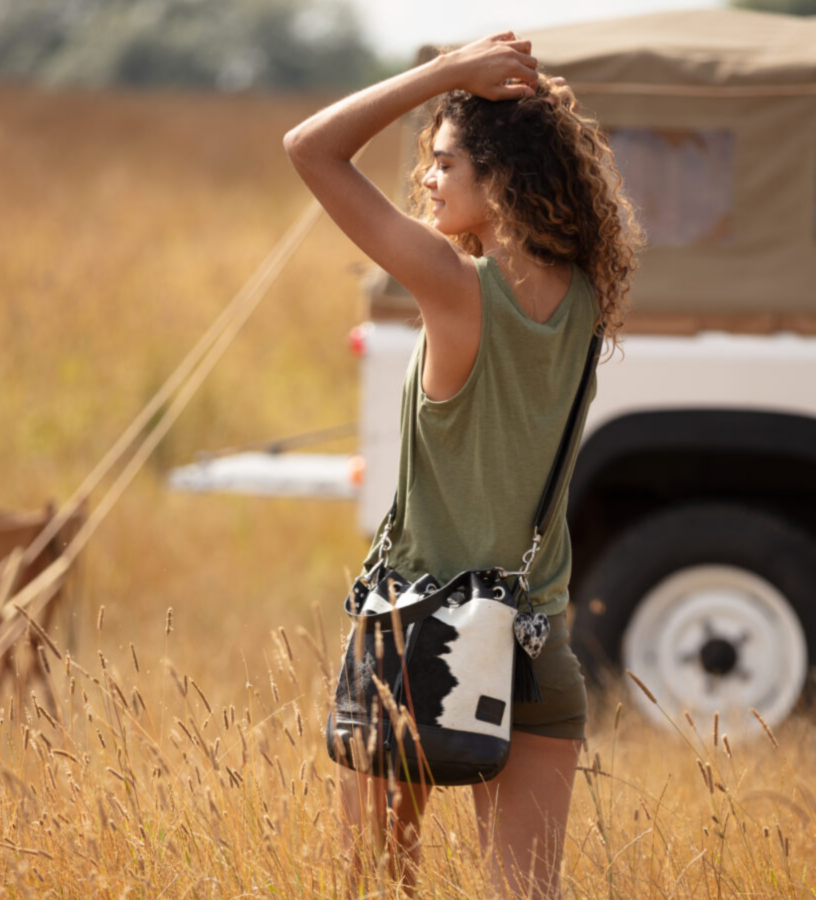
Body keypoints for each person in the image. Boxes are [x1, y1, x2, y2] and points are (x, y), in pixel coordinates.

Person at [284, 31, 644, 899]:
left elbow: (309, 148)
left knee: (374, 886)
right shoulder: (590, 299)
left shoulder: (453, 283)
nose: (430, 179)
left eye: (447, 163)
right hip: (532, 641)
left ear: (503, 180)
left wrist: (444, 74)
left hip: (418, 635)